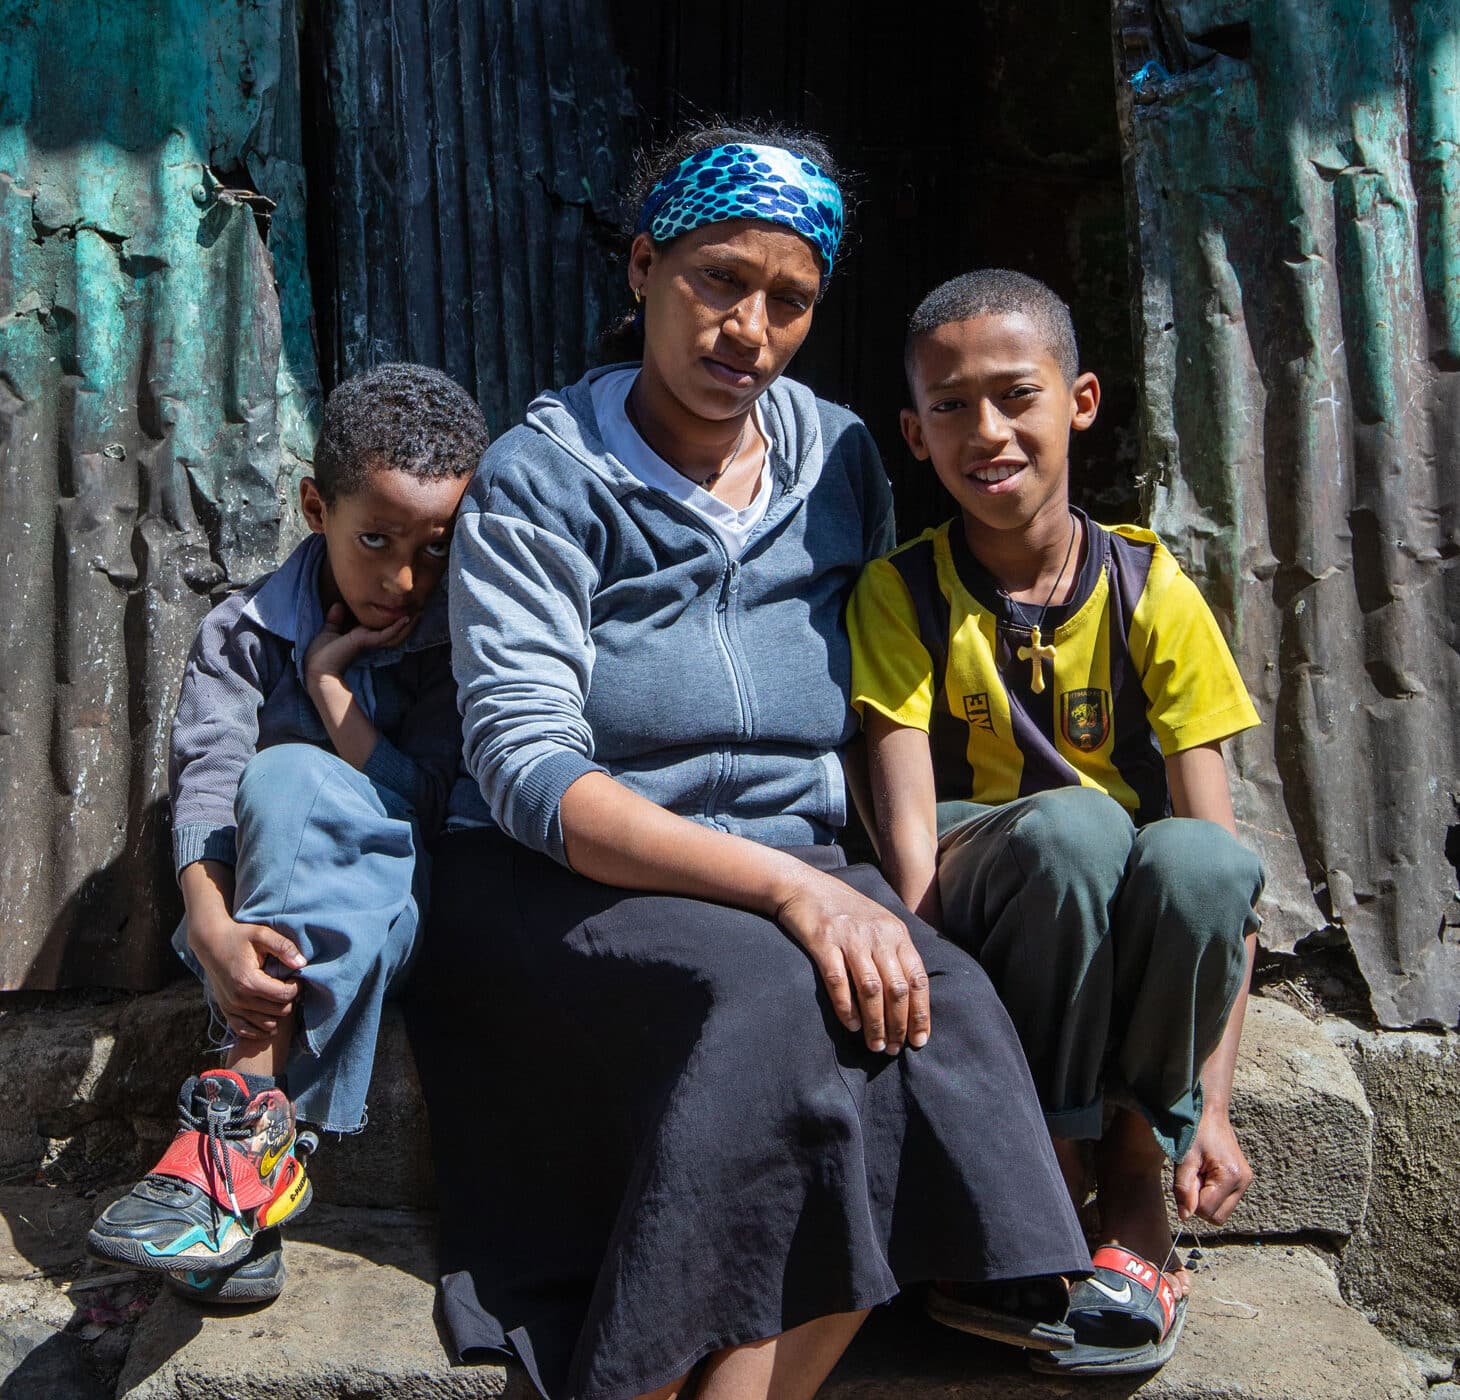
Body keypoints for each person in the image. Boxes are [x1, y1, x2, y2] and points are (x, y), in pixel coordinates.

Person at [407, 127, 1091, 1400]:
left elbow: (885, 682)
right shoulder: (542, 474)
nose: (748, 328)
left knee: (944, 1016)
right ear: (643, 265)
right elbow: (523, 764)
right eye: (718, 279)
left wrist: (861, 881)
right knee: (776, 1002)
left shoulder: (838, 458)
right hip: (562, 878)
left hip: (798, 857)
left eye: (789, 300)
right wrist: (791, 890)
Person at [847, 269, 1265, 1376]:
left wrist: (1210, 1111)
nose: (986, 431)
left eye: (1015, 395)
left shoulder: (1147, 587)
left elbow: (1225, 884)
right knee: (1073, 834)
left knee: (1189, 857)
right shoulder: (901, 594)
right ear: (913, 432)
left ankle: (1133, 1170)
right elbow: (908, 863)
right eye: (949, 406)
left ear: (1079, 400)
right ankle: (1040, 1165)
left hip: (1109, 903)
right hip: (989, 896)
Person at [86, 363, 489, 1304]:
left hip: (396, 912)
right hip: (247, 922)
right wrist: (217, 931)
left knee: (294, 770)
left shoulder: (458, 645)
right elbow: (205, 789)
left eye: (437, 549)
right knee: (268, 780)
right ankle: (257, 1168)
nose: (405, 578)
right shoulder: (241, 633)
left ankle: (237, 1124)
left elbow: (431, 801)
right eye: (377, 539)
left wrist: (331, 694)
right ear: (315, 505)